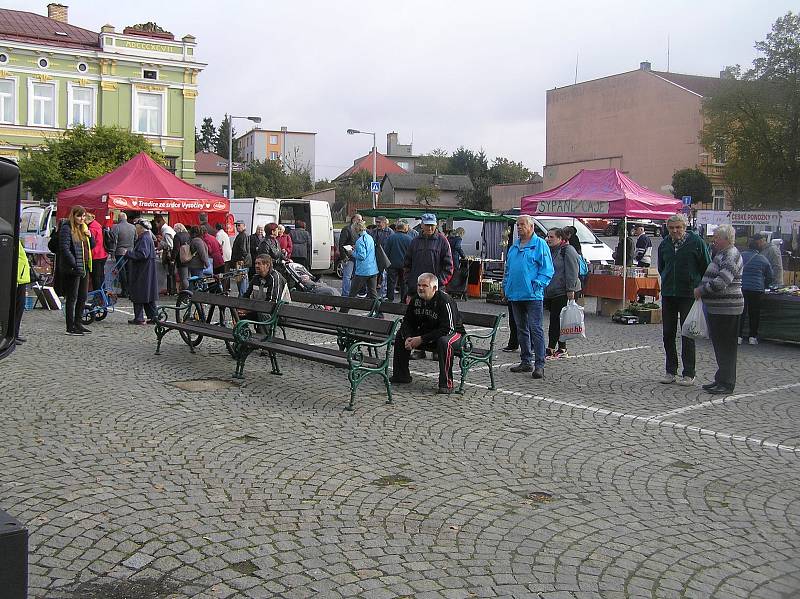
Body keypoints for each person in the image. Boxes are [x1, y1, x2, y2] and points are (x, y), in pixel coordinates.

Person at [390, 273, 466, 394]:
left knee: (444, 341)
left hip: (455, 336)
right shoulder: (416, 299)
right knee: (400, 335)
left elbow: (448, 329)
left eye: (425, 285)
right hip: (430, 333)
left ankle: (446, 383)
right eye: (419, 285)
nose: (420, 288)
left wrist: (421, 339)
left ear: (434, 288)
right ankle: (401, 376)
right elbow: (407, 321)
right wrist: (409, 337)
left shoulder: (445, 301)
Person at [657, 213, 711, 386]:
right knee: (668, 334)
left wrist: (699, 287)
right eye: (672, 228)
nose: (675, 231)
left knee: (687, 333)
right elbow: (661, 266)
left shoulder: (696, 243)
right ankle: (670, 371)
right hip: (668, 293)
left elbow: (706, 266)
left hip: (688, 293)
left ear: (685, 227)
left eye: (678, 227)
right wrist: (665, 279)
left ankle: (689, 373)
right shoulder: (664, 244)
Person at [695, 224, 744, 395]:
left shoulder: (731, 255)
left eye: (716, 237)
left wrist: (701, 290)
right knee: (719, 345)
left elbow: (722, 282)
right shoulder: (722, 253)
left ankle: (727, 383)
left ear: (725, 239)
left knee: (727, 346)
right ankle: (720, 378)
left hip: (728, 308)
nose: (714, 240)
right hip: (719, 308)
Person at [503, 215, 554, 379]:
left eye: (522, 224)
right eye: (517, 225)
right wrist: (505, 287)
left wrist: (537, 284)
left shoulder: (540, 244)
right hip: (515, 295)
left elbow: (547, 269)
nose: (518, 227)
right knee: (521, 329)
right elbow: (508, 270)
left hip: (533, 296)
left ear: (531, 227)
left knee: (535, 329)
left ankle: (539, 364)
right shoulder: (514, 247)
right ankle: (526, 360)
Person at [544, 227, 581, 360]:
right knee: (557, 320)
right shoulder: (552, 251)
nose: (548, 239)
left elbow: (572, 271)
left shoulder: (568, 250)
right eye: (548, 236)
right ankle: (559, 347)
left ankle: (554, 348)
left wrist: (570, 290)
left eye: (551, 237)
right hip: (553, 290)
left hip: (564, 291)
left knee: (556, 320)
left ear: (560, 238)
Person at [59, 205, 94, 336]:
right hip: (73, 268)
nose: (82, 218)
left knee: (83, 296)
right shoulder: (67, 228)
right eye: (79, 216)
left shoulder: (83, 228)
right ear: (73, 216)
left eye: (84, 216)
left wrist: (90, 236)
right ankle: (70, 326)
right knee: (72, 297)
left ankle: (78, 323)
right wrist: (74, 264)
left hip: (84, 265)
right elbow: (65, 248)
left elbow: (92, 246)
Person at [739, 238, 773, 345]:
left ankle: (738, 336)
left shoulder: (741, 256)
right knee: (754, 313)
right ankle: (752, 337)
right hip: (756, 289)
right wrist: (765, 285)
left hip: (742, 287)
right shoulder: (763, 259)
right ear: (758, 249)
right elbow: (770, 276)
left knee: (741, 313)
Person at [126, 220, 160, 325]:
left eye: (137, 227)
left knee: (139, 293)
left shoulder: (144, 238)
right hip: (146, 270)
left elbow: (143, 254)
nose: (136, 229)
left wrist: (128, 254)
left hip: (142, 271)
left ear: (141, 228)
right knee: (148, 295)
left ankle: (139, 318)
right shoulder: (147, 237)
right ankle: (153, 316)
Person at [344, 220, 379, 306]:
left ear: (356, 230)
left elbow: (362, 256)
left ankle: (343, 312)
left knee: (352, 294)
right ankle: (379, 312)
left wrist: (351, 252)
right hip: (373, 269)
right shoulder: (369, 237)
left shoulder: (359, 241)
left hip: (363, 271)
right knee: (373, 294)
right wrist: (356, 248)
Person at [107, 212, 136, 297]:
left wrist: (112, 253)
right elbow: (136, 239)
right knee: (129, 271)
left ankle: (124, 291)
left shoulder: (116, 227)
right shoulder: (133, 227)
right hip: (130, 252)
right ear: (126, 218)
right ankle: (130, 291)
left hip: (120, 252)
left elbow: (114, 241)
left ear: (119, 218)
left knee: (122, 272)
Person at [384, 221, 412, 302]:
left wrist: (386, 264)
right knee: (404, 283)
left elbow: (386, 251)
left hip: (392, 264)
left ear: (396, 228)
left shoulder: (391, 237)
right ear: (405, 228)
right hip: (404, 265)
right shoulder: (409, 239)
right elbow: (411, 253)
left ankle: (390, 298)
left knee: (391, 282)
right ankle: (403, 300)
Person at [338, 213, 363, 298]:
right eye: (359, 219)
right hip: (348, 257)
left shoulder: (360, 231)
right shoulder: (347, 229)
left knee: (356, 276)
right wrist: (344, 257)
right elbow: (341, 243)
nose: (360, 221)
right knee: (347, 276)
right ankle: (346, 294)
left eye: (361, 220)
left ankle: (353, 293)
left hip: (357, 256)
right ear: (354, 219)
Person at [370, 216, 393, 297]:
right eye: (376, 222)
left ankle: (383, 293)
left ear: (384, 222)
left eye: (379, 222)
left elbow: (391, 245)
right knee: (375, 274)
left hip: (385, 257)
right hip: (375, 256)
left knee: (385, 276)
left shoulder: (390, 232)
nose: (377, 224)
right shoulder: (373, 231)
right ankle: (373, 292)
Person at [15, 240, 33, 345]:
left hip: (21, 277)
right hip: (17, 278)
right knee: (16, 307)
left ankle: (15, 333)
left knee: (20, 307)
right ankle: (12, 334)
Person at [154, 215, 176, 296]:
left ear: (159, 222)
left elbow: (170, 245)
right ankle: (171, 290)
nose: (155, 226)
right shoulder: (167, 230)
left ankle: (171, 290)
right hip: (171, 255)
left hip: (170, 256)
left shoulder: (166, 231)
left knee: (170, 273)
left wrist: (161, 245)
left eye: (156, 223)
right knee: (170, 273)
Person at [86, 212, 108, 292]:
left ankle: (98, 297)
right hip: (103, 254)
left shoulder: (91, 229)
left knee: (96, 278)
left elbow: (93, 243)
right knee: (101, 276)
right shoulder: (98, 226)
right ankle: (103, 293)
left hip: (96, 255)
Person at [230, 220, 251, 296]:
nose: (237, 227)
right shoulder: (242, 235)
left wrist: (241, 260)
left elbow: (243, 250)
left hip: (241, 262)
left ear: (244, 226)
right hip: (242, 261)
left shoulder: (243, 235)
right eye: (236, 225)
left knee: (241, 281)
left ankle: (242, 298)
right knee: (243, 281)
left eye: (239, 225)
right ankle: (244, 296)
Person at [172, 223, 191, 291]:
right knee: (188, 277)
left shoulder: (177, 236)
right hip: (189, 258)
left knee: (183, 278)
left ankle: (187, 294)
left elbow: (176, 249)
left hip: (181, 259)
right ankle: (188, 292)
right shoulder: (188, 235)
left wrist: (173, 258)